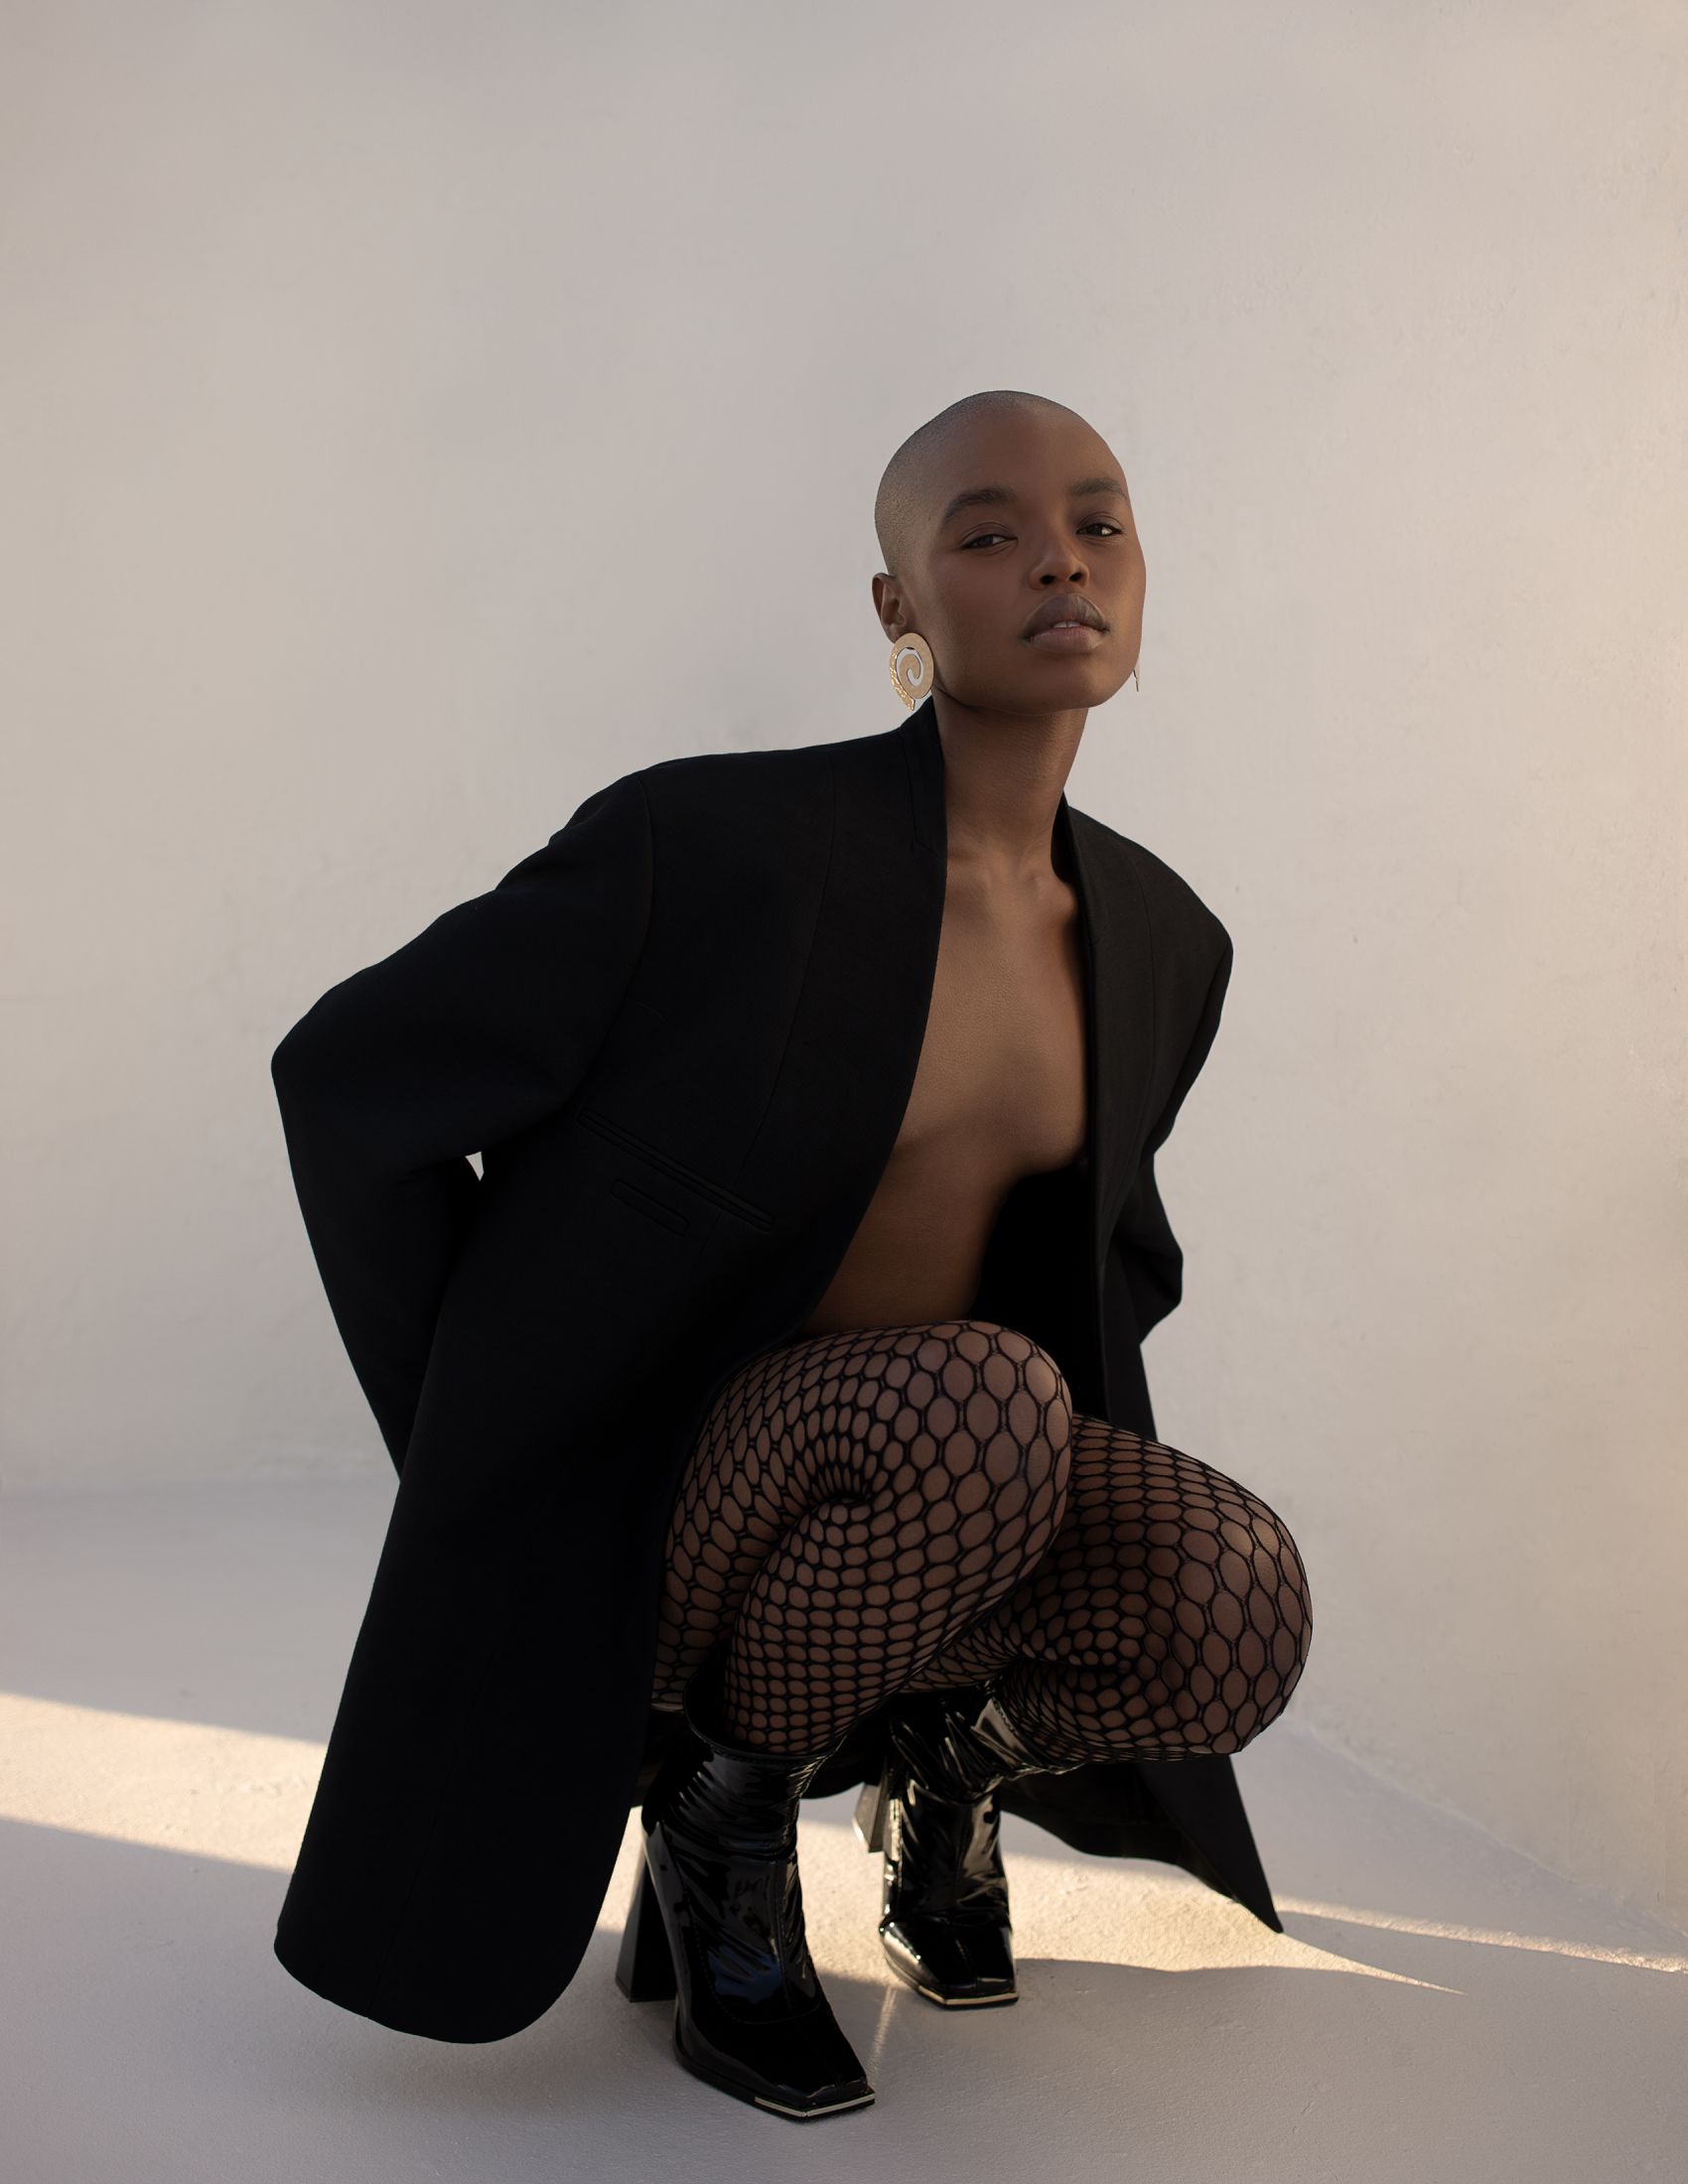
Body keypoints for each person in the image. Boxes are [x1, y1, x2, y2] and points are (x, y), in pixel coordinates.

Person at [267, 388, 1312, 2124]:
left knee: (1233, 1593)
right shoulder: (709, 849)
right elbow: (347, 1081)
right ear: (901, 608)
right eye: (990, 532)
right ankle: (722, 1825)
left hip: (937, 1501)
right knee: (982, 1398)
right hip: (674, 1509)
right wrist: (473, 1438)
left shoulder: (1162, 937)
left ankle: (945, 1773)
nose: (1060, 559)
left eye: (1099, 522)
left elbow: (1107, 1262)